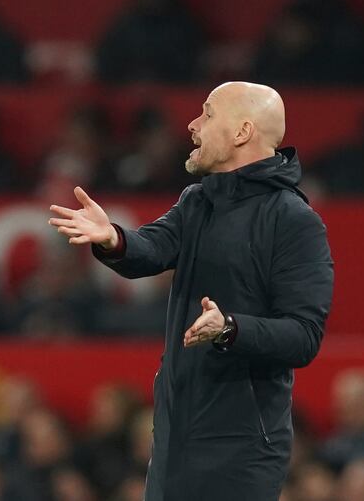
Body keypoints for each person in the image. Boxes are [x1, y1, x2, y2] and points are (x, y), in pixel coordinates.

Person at [48, 81, 334, 500]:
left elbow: (304, 336)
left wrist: (230, 329)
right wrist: (114, 239)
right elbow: (152, 248)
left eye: (208, 114)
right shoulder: (197, 201)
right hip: (174, 434)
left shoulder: (294, 220)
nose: (193, 124)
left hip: (240, 445)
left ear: (242, 133)